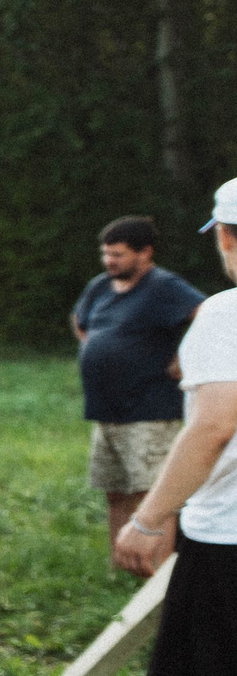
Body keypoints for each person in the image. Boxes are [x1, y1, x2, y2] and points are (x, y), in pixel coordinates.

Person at [111, 182, 237, 676]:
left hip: (230, 536)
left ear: (225, 235)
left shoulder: (225, 314)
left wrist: (149, 515)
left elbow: (215, 422)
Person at [74, 215, 205, 551]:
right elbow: (80, 319)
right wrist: (94, 348)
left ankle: (157, 574)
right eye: (105, 253)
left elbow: (205, 314)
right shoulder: (100, 285)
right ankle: (123, 564)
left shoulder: (164, 286)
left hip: (148, 409)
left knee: (152, 494)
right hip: (106, 410)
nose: (109, 261)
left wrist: (184, 356)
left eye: (117, 254)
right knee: (115, 492)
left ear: (145, 252)